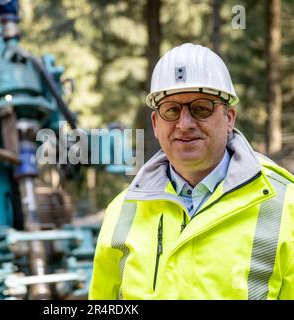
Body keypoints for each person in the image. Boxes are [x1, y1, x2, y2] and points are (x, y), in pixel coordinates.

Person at [89, 43, 294, 300]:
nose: (184, 124)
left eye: (201, 108)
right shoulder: (122, 212)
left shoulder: (284, 206)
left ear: (229, 117)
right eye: (171, 110)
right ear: (155, 123)